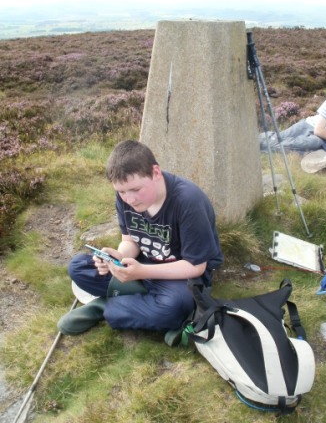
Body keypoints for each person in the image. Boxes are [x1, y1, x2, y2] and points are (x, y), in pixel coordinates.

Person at [58, 140, 224, 339]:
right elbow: (130, 240)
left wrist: (141, 272)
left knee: (173, 307)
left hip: (180, 275)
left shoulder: (188, 201)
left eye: (136, 190)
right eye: (121, 192)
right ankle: (133, 299)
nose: (130, 199)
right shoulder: (124, 197)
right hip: (143, 264)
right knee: (77, 267)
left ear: (155, 173)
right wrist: (116, 258)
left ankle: (105, 307)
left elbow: (195, 267)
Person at [259, 95, 326, 153]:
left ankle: (264, 146)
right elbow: (319, 130)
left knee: (295, 145)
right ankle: (257, 140)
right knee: (279, 137)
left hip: (325, 139)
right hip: (308, 125)